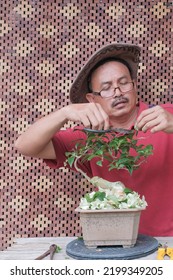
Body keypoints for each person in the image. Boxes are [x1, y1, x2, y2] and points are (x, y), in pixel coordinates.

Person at [15, 43, 173, 237]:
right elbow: (24, 146)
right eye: (106, 88)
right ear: (91, 99)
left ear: (134, 85)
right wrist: (64, 113)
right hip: (117, 246)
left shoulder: (166, 116)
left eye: (123, 83)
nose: (117, 92)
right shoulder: (87, 137)